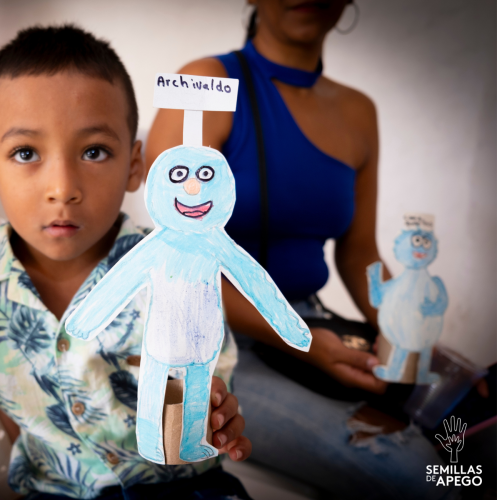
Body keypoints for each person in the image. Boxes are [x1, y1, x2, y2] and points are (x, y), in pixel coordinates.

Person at [146, 1, 459, 498]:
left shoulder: (359, 111)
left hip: (313, 327)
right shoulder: (207, 82)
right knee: (422, 472)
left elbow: (359, 254)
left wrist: (405, 328)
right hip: (213, 343)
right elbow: (175, 260)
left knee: (465, 419)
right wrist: (304, 342)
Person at [0, 25, 253, 500]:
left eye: (94, 151)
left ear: (134, 166)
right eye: (26, 153)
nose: (62, 187)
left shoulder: (177, 273)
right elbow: (8, 414)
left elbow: (206, 393)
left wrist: (216, 413)